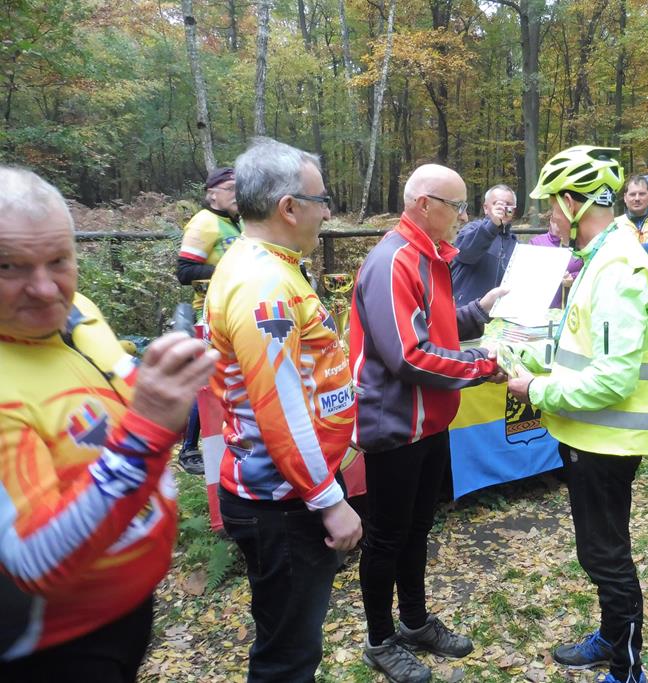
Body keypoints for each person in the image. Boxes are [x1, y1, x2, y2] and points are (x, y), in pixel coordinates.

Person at [0, 166, 216, 680]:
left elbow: (111, 404)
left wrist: (161, 380)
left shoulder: (78, 312)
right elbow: (34, 561)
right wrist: (147, 431)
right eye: (9, 266)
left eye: (59, 260)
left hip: (129, 607)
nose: (45, 289)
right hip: (53, 647)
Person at [508, 145, 648, 683]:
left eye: (552, 204)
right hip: (593, 436)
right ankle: (611, 639)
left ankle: (627, 669)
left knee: (605, 556)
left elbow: (612, 379)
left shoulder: (617, 267)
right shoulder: (601, 258)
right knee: (601, 551)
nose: (548, 216)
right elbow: (585, 348)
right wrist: (532, 361)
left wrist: (535, 388)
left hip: (606, 441)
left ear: (575, 202)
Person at [204, 138, 363, 683]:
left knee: (288, 638)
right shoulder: (264, 285)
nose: (327, 213)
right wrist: (328, 500)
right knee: (289, 655)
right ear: (288, 207)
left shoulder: (269, 264)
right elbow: (278, 409)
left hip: (284, 493)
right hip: (285, 501)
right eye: (322, 200)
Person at [350, 164, 505, 683]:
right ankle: (379, 641)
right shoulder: (393, 260)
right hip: (395, 426)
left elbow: (434, 326)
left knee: (417, 528)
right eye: (457, 205)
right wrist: (481, 366)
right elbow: (409, 355)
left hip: (431, 422)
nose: (463, 215)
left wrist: (478, 311)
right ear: (424, 204)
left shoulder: (429, 256)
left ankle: (414, 622)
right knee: (386, 538)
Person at [175, 166, 242, 475]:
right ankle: (189, 449)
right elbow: (184, 272)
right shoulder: (204, 222)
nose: (237, 194)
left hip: (234, 311)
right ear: (212, 193)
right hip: (208, 314)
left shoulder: (235, 223)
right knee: (206, 381)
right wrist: (229, 270)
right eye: (230, 188)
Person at [450, 183, 518, 306]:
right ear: (486, 208)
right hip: (463, 310)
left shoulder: (515, 244)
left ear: (513, 210)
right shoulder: (471, 230)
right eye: (496, 204)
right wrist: (493, 225)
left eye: (508, 205)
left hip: (495, 313)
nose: (502, 209)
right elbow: (467, 254)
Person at [529, 220, 582, 308]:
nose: (560, 226)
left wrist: (574, 278)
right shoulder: (536, 243)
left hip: (572, 307)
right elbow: (528, 273)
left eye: (564, 222)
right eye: (557, 221)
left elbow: (589, 269)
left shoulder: (579, 244)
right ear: (551, 220)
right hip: (544, 306)